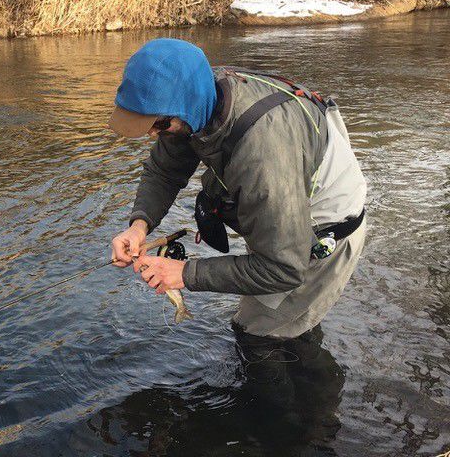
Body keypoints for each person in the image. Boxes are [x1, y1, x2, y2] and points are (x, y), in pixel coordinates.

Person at [109, 38, 366, 339]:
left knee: (258, 335)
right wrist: (139, 226)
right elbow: (164, 170)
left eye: (159, 124)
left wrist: (183, 273)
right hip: (283, 203)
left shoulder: (263, 154)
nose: (152, 133)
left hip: (322, 229)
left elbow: (284, 268)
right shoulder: (197, 94)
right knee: (281, 320)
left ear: (182, 110)